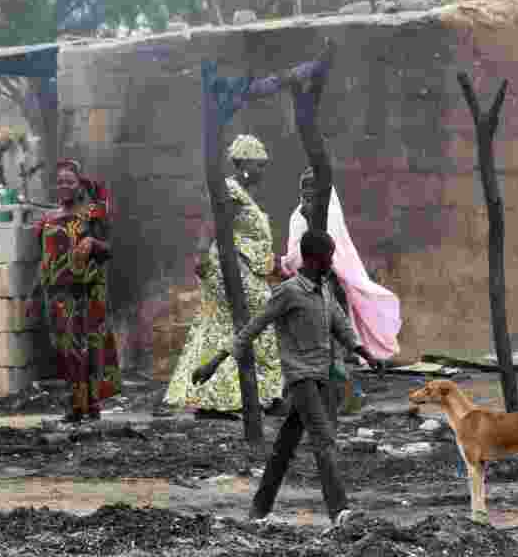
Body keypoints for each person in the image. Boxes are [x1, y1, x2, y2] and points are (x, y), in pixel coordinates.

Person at [195, 230, 372, 527]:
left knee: (285, 447)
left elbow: (340, 323)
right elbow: (253, 327)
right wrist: (215, 361)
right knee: (324, 439)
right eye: (329, 256)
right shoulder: (288, 292)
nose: (332, 261)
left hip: (322, 377)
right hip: (301, 378)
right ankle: (340, 512)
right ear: (315, 259)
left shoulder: (324, 288)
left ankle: (260, 509)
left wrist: (365, 351)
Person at [163, 134, 283, 418]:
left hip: (244, 266)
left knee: (233, 326)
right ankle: (242, 396)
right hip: (228, 267)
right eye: (259, 165)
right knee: (254, 320)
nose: (262, 171)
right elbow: (213, 223)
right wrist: (202, 253)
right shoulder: (230, 189)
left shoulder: (241, 192)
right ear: (243, 164)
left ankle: (251, 395)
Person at [280, 167, 402, 418]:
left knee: (328, 345)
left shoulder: (327, 215)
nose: (307, 195)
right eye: (304, 189)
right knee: (312, 346)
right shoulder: (298, 216)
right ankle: (325, 398)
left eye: (312, 190)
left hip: (327, 286)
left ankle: (347, 396)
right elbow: (295, 255)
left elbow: (329, 256)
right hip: (304, 287)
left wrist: (293, 263)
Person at [31, 158, 121, 424]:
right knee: (67, 350)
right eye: (60, 182)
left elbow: (109, 249)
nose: (64, 186)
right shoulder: (47, 219)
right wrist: (34, 294)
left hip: (88, 291)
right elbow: (43, 260)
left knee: (91, 348)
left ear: (79, 183)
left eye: (69, 181)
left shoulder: (93, 214)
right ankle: (75, 406)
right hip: (58, 295)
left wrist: (92, 242)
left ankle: (91, 406)